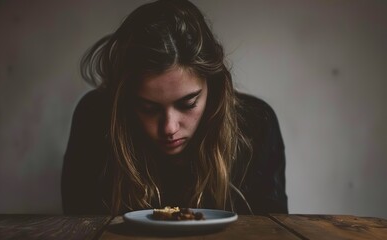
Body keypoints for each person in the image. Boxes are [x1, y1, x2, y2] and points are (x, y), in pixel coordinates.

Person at [61, 0, 288, 216]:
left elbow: (272, 228)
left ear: (213, 86)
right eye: (148, 107)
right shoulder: (95, 118)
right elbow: (81, 222)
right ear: (126, 99)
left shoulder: (256, 124)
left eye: (188, 103)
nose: (169, 127)